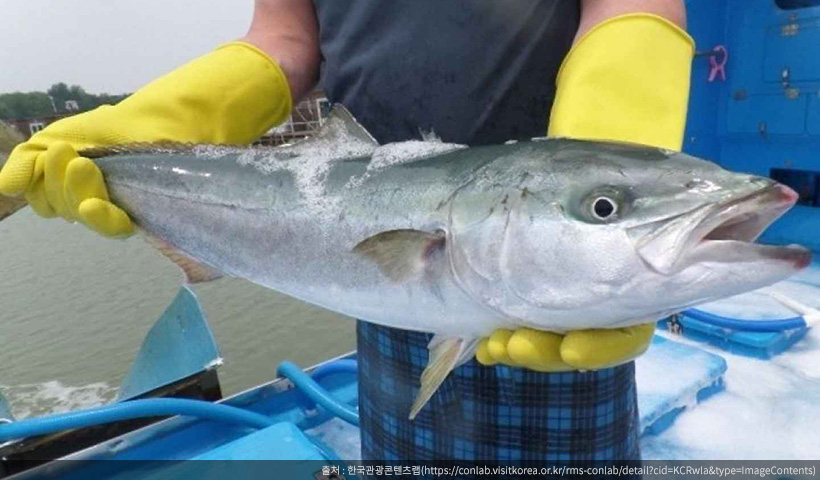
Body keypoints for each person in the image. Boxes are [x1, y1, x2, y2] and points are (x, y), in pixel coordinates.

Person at [0, 0, 692, 468]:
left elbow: (635, 5)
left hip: (543, 248)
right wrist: (150, 126)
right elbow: (285, 39)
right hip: (376, 268)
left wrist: (605, 173)